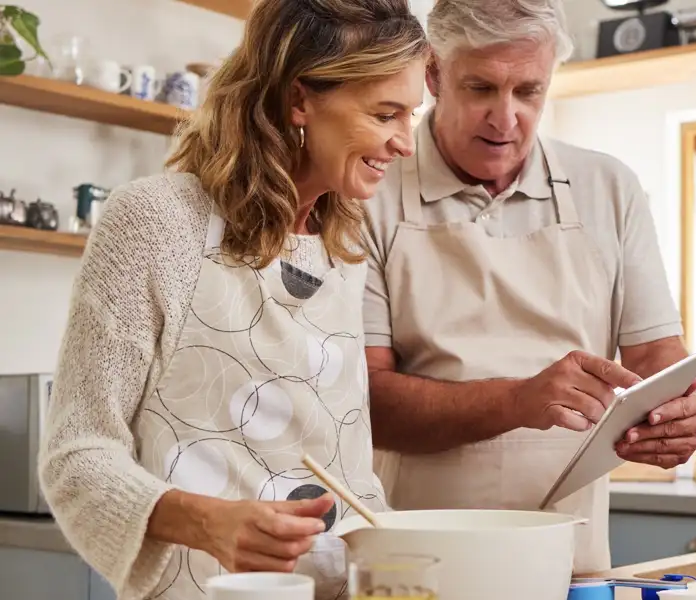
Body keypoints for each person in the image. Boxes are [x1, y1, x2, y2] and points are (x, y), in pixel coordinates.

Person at [36, 1, 429, 598]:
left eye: (412, 115)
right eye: (385, 113)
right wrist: (206, 522)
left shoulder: (344, 245)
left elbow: (350, 472)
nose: (405, 142)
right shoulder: (156, 223)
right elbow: (77, 453)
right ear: (300, 100)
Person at [361, 0, 696, 574]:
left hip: (570, 557)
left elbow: (656, 360)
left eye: (528, 92)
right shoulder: (372, 190)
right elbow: (365, 402)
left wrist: (676, 415)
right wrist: (521, 401)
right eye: (481, 88)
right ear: (432, 75)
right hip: (417, 560)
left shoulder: (610, 188)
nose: (506, 118)